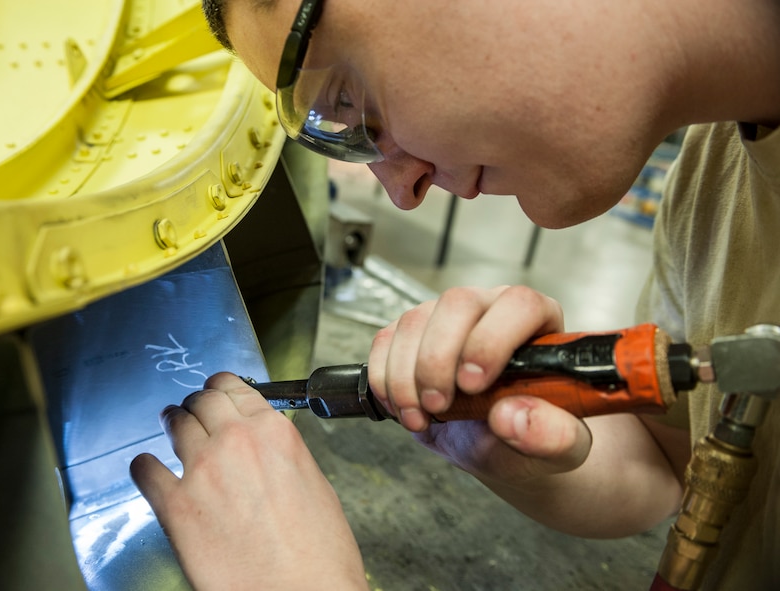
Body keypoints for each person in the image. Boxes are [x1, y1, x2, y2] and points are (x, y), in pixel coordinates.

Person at [129, 0, 780, 588]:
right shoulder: (714, 168)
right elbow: (676, 464)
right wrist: (539, 450)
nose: (400, 188)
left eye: (350, 97)